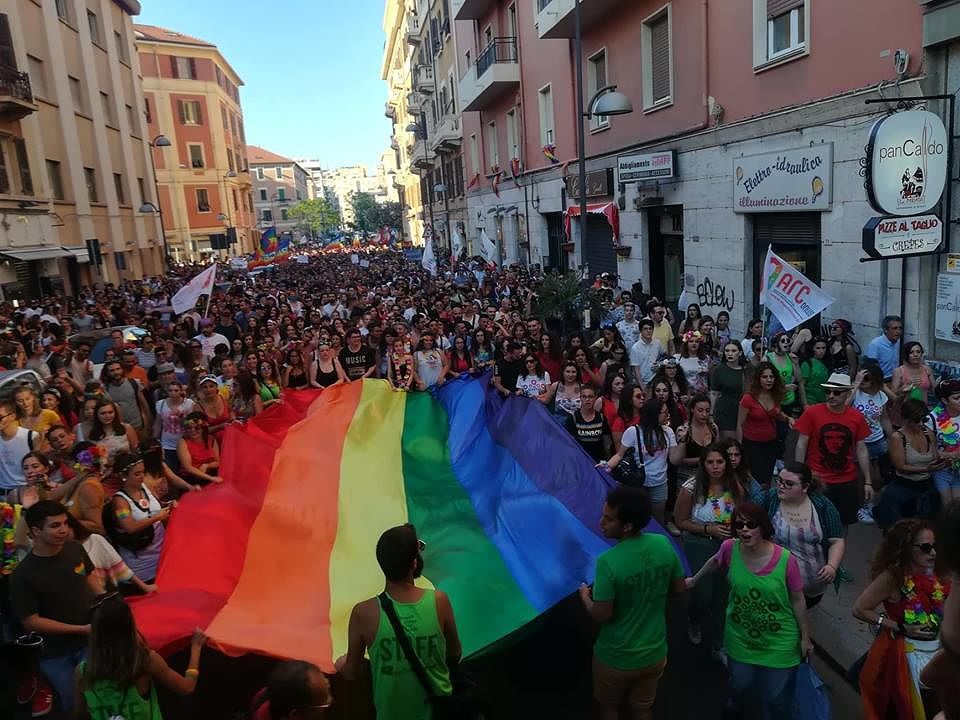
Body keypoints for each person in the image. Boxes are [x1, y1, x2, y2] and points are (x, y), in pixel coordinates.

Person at [686, 502, 812, 719]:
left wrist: (805, 638)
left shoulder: (786, 560)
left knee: (776, 696)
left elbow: (798, 599)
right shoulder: (729, 548)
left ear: (762, 527)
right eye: (739, 525)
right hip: (740, 637)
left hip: (779, 642)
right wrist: (694, 580)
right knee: (740, 685)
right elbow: (715, 561)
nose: (744, 529)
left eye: (751, 524)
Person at [578, 486, 685, 720]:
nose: (601, 523)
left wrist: (585, 596)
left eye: (608, 519)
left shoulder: (608, 562)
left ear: (626, 526)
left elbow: (602, 615)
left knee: (609, 707)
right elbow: (679, 589)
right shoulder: (663, 544)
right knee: (643, 709)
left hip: (616, 657)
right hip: (654, 653)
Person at [336, 523, 461, 720]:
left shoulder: (364, 613)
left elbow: (351, 672)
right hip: (440, 712)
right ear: (414, 563)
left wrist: (341, 663)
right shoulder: (439, 601)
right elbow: (455, 653)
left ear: (381, 563)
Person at [10, 500, 104, 713]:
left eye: (65, 523)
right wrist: (80, 629)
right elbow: (31, 622)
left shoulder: (75, 548)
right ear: (36, 531)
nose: (64, 530)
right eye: (55, 525)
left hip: (89, 641)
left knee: (99, 694)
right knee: (74, 702)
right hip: (56, 653)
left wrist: (104, 599)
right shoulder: (23, 576)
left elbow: (88, 575)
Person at [854, 518, 952, 719]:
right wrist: (898, 626)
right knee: (903, 707)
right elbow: (860, 609)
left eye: (935, 546)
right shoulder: (892, 577)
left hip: (935, 651)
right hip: (903, 657)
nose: (933, 553)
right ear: (907, 549)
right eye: (925, 548)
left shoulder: (937, 573)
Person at [77, 594, 207, 720]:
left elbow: (81, 714)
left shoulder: (82, 672)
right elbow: (187, 687)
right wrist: (196, 648)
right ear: (129, 627)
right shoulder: (145, 661)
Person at [673, 444, 749, 657]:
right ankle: (695, 618)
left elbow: (740, 515)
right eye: (710, 462)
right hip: (699, 545)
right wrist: (709, 529)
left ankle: (719, 641)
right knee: (703, 594)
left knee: (723, 595)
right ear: (703, 464)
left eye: (720, 462)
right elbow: (680, 521)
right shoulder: (691, 488)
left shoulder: (735, 486)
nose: (715, 467)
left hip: (728, 545)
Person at [759, 462, 845, 608]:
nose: (781, 486)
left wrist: (831, 566)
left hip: (811, 588)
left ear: (805, 487)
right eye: (779, 481)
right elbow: (752, 518)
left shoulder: (823, 506)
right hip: (775, 582)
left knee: (799, 616)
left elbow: (836, 541)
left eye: (789, 484)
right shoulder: (772, 498)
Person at [794, 372, 871, 527]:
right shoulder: (812, 413)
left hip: (847, 481)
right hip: (817, 479)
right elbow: (801, 444)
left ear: (848, 393)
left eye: (836, 392)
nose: (831, 396)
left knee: (844, 523)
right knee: (816, 524)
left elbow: (861, 449)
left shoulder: (856, 417)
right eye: (828, 391)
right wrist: (799, 475)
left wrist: (868, 481)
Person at [604, 399, 681, 525]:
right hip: (638, 483)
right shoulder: (633, 431)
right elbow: (619, 455)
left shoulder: (668, 431)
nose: (668, 415)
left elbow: (674, 459)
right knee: (636, 519)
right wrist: (606, 467)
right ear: (654, 414)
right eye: (665, 412)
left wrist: (682, 442)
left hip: (660, 483)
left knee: (658, 520)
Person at [876, 398, 943, 527]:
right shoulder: (898, 437)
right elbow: (900, 467)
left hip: (927, 487)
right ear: (907, 420)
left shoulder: (928, 433)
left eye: (924, 420)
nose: (921, 424)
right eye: (917, 421)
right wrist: (926, 469)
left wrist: (942, 461)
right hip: (904, 488)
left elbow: (935, 456)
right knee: (902, 527)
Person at [109, 452, 171, 585]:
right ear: (124, 476)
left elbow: (157, 506)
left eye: (143, 472)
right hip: (142, 566)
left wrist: (169, 505)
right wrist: (157, 517)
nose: (142, 476)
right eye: (137, 474)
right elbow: (130, 527)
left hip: (162, 554)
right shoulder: (120, 502)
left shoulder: (144, 487)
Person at [850, 364, 894, 521]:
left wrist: (893, 438)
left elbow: (884, 418)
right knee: (862, 475)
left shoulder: (881, 396)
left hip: (877, 439)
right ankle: (863, 505)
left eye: (867, 378)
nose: (863, 381)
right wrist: (856, 383)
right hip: (859, 441)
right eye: (861, 377)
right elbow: (844, 405)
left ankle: (872, 502)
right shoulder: (855, 393)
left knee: (877, 476)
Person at [737, 361, 791, 487]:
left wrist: (788, 419)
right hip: (752, 445)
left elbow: (776, 413)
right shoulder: (748, 398)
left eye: (771, 377)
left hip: (771, 443)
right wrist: (739, 448)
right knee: (755, 479)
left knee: (767, 478)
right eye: (765, 377)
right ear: (758, 379)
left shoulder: (775, 394)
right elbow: (739, 424)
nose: (769, 380)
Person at [248, 660, 333, 720]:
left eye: (326, 684)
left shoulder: (268, 695)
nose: (331, 699)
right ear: (296, 715)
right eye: (324, 704)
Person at [927, 379, 960, 508]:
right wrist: (950, 455)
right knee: (947, 506)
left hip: (958, 471)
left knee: (957, 507)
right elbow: (929, 449)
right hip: (942, 470)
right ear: (944, 400)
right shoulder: (932, 419)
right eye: (956, 398)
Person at [0, 397, 39, 501]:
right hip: (2, 493)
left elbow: (39, 465)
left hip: (25, 493)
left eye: (0, 417)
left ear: (12, 416)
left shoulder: (31, 436)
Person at [153, 380, 195, 471]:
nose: (173, 393)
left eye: (176, 390)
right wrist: (155, 441)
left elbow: (191, 424)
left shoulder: (188, 404)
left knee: (186, 470)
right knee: (171, 469)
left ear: (181, 391)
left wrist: (181, 416)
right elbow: (158, 423)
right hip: (167, 444)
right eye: (170, 390)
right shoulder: (161, 404)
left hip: (185, 443)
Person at [891, 341, 935, 425]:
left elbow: (935, 390)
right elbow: (893, 395)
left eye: (918, 352)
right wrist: (904, 387)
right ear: (906, 355)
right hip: (903, 413)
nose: (915, 355)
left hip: (921, 412)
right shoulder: (899, 371)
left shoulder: (927, 369)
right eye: (911, 352)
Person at [565, 385, 612, 463]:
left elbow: (607, 443)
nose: (587, 399)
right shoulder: (573, 418)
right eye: (584, 397)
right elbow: (570, 444)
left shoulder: (601, 417)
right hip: (580, 461)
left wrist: (608, 461)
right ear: (580, 398)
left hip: (599, 461)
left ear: (595, 398)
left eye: (590, 397)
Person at [712, 341, 746, 440]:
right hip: (725, 409)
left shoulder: (746, 370)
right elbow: (714, 393)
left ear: (740, 353)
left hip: (743, 408)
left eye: (733, 351)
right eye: (727, 351)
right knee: (730, 441)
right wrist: (711, 413)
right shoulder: (719, 369)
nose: (730, 353)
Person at [766, 332, 803, 418]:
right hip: (775, 400)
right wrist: (784, 388)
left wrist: (796, 364)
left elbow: (798, 378)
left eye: (788, 340)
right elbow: (765, 382)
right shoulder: (768, 358)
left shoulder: (790, 357)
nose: (786, 342)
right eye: (783, 341)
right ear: (776, 344)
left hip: (789, 399)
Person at [864, 314, 903, 383]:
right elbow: (871, 369)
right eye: (895, 328)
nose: (898, 331)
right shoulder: (875, 345)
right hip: (881, 382)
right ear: (885, 330)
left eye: (900, 328)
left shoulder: (896, 342)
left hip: (895, 380)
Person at [629, 319, 662, 389]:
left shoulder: (657, 343)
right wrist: (642, 387)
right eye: (645, 329)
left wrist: (659, 364)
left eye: (650, 328)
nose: (648, 331)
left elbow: (663, 357)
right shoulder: (635, 348)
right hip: (642, 382)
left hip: (656, 380)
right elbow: (636, 370)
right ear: (640, 331)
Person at [799, 336, 830, 407]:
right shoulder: (807, 364)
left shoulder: (827, 363)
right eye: (818, 348)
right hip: (810, 401)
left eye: (823, 348)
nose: (821, 351)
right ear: (813, 348)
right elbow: (801, 385)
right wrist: (805, 404)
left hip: (824, 401)